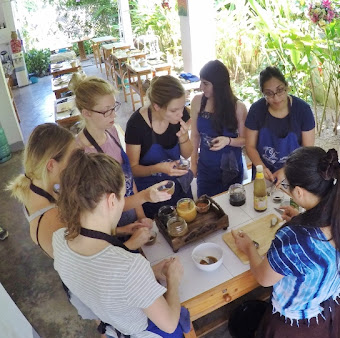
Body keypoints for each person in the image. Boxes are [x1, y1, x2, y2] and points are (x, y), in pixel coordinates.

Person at [52, 150, 206, 338]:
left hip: (116, 329)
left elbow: (97, 273)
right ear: (112, 200)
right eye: (123, 196)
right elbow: (169, 323)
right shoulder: (127, 267)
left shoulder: (59, 240)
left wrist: (137, 265)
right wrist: (172, 279)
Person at [6, 123, 165, 338]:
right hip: (87, 282)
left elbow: (86, 229)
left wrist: (121, 228)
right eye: (75, 157)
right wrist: (130, 243)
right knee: (109, 325)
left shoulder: (40, 189)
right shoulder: (52, 219)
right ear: (52, 165)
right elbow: (95, 265)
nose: (80, 162)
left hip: (82, 273)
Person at [232, 147, 340, 338]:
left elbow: (263, 278)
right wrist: (304, 218)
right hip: (328, 300)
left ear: (299, 192)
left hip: (293, 315)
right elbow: (328, 241)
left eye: (287, 184)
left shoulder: (293, 240)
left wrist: (249, 248)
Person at [70, 73, 156, 228]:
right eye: (106, 111)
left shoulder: (112, 131)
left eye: (114, 107)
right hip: (113, 227)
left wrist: (141, 215)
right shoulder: (81, 152)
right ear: (86, 113)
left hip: (132, 214)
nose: (114, 115)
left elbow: (128, 179)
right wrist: (146, 196)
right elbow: (97, 210)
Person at [126, 75, 193, 218]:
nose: (180, 114)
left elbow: (187, 154)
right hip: (152, 192)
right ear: (156, 106)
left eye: (182, 107)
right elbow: (132, 169)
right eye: (174, 110)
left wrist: (184, 138)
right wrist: (158, 168)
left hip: (177, 184)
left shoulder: (180, 116)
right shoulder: (136, 125)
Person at [244, 66, 315, 184]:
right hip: (264, 174)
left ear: (286, 87)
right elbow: (250, 146)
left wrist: (286, 170)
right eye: (269, 94)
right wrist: (262, 168)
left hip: (294, 171)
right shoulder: (256, 110)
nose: (276, 98)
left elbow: (307, 150)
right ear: (263, 93)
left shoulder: (303, 110)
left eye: (280, 90)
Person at [190, 60, 248, 197]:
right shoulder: (198, 101)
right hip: (206, 167)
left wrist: (228, 141)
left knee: (232, 208)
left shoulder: (238, 107)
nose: (201, 87)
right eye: (201, 82)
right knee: (205, 207)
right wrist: (193, 163)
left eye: (206, 83)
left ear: (218, 84)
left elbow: (245, 140)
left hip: (231, 169)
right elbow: (195, 135)